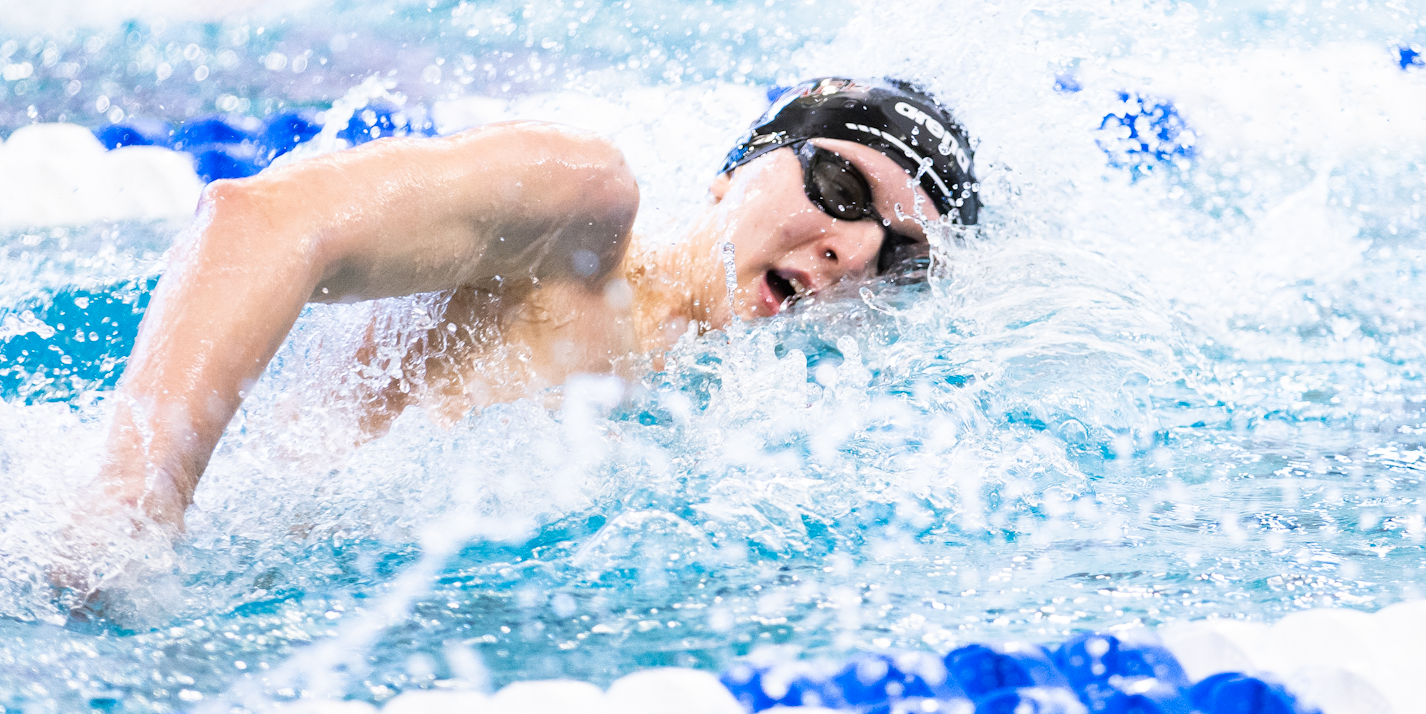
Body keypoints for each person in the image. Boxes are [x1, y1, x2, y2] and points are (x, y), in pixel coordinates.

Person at [92, 76, 979, 533]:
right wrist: (136, 502)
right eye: (842, 185)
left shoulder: (724, 409)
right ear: (738, 167)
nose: (853, 250)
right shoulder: (579, 216)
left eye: (899, 255)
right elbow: (262, 218)